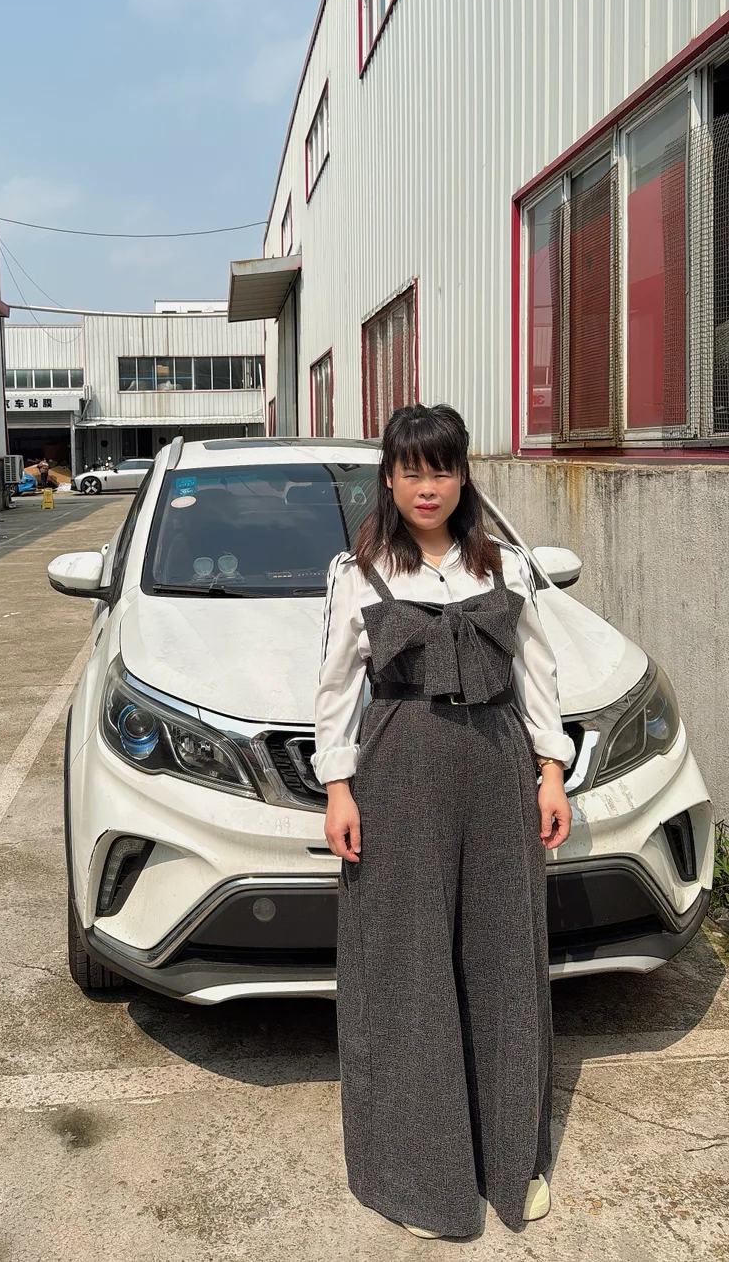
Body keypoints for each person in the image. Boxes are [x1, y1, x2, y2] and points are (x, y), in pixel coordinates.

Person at [314, 403, 573, 1239]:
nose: (427, 486)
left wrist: (551, 773)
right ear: (389, 480)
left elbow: (538, 674)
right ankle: (422, 1180)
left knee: (505, 960)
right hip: (398, 775)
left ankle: (511, 1161)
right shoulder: (357, 572)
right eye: (411, 470)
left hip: (498, 771)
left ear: (463, 476)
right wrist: (338, 789)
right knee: (409, 965)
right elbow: (333, 690)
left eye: (443, 469)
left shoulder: (505, 566)